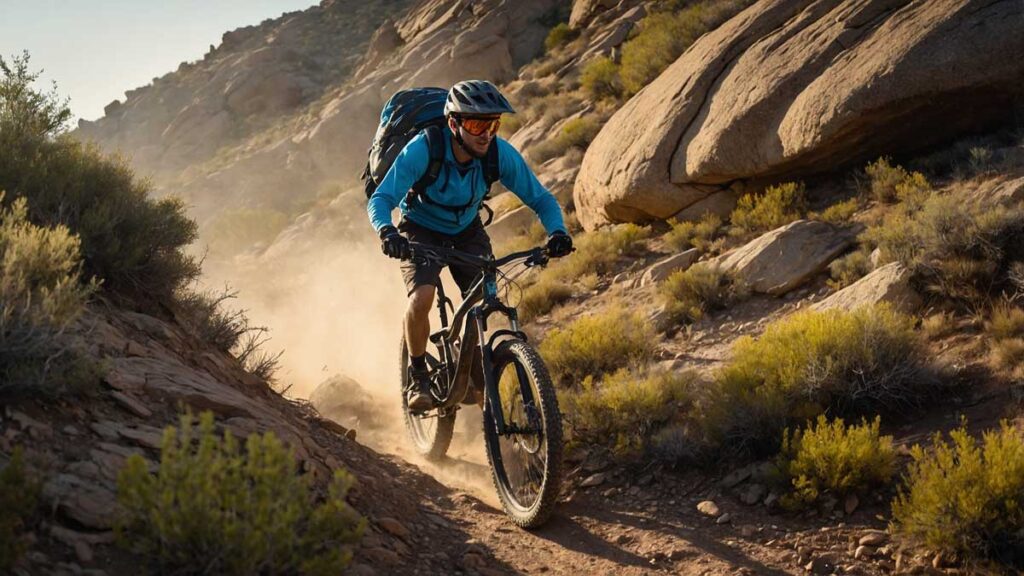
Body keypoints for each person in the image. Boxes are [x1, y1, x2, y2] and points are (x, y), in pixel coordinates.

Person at [367, 80, 573, 411]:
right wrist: (387, 232)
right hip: (420, 228)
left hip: (467, 229)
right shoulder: (424, 148)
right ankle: (418, 375)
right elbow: (382, 198)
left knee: (485, 299)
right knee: (422, 298)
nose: (486, 133)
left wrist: (557, 232)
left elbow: (541, 198)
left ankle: (467, 358)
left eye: (493, 124)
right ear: (453, 123)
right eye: (477, 124)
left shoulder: (497, 153)